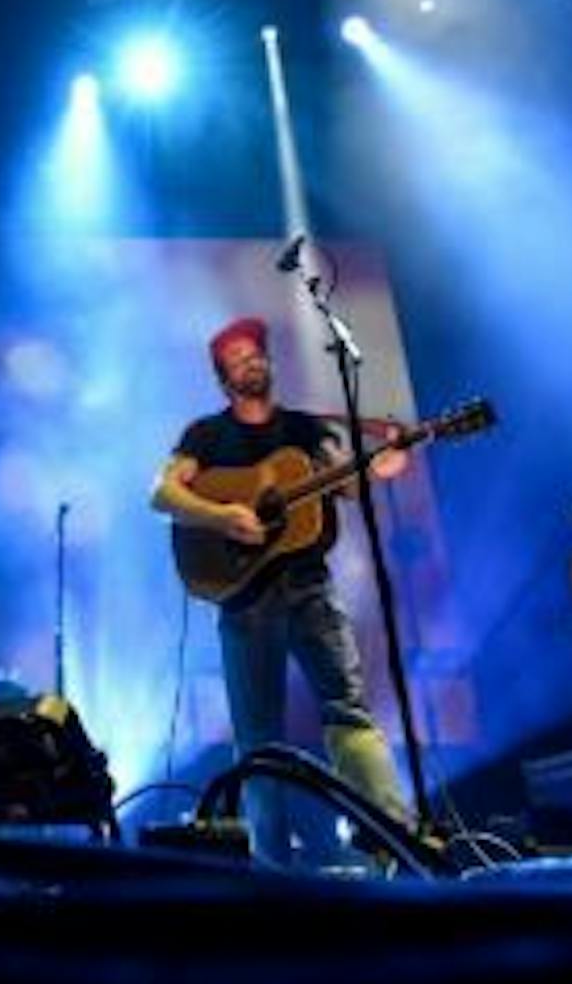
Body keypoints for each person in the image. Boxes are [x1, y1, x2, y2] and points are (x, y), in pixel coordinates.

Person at [151, 316, 412, 867]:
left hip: (311, 588)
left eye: (256, 353)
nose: (251, 361)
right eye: (237, 358)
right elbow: (163, 495)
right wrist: (222, 515)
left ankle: (394, 849)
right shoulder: (205, 434)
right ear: (224, 379)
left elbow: (341, 482)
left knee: (349, 713)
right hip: (245, 601)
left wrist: (378, 467)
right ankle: (271, 874)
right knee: (259, 744)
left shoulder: (302, 429)